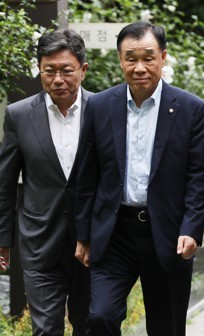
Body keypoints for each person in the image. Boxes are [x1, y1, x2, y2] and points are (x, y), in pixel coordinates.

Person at [73, 21, 204, 336]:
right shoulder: (99, 106)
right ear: (120, 60)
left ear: (163, 57)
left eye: (148, 57)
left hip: (168, 234)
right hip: (114, 232)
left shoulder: (192, 110)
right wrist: (83, 234)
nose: (139, 67)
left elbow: (198, 177)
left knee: (167, 328)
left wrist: (192, 230)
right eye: (130, 58)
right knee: (100, 318)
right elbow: (87, 173)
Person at [0, 29, 91, 335]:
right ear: (39, 69)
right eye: (48, 71)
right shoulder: (19, 115)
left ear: (83, 69)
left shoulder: (103, 109)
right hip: (40, 241)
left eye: (66, 70)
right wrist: (4, 240)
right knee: (46, 329)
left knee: (91, 324)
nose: (57, 79)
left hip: (91, 242)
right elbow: (5, 182)